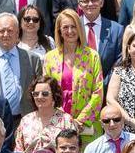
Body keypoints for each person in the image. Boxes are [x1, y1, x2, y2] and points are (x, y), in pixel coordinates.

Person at [44, 9, 105, 143]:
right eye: (65, 27)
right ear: (59, 30)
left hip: (87, 126)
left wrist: (79, 121)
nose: (70, 31)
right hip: (58, 124)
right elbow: (46, 92)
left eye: (74, 26)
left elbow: (98, 92)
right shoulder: (49, 58)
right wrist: (64, 120)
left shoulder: (92, 56)